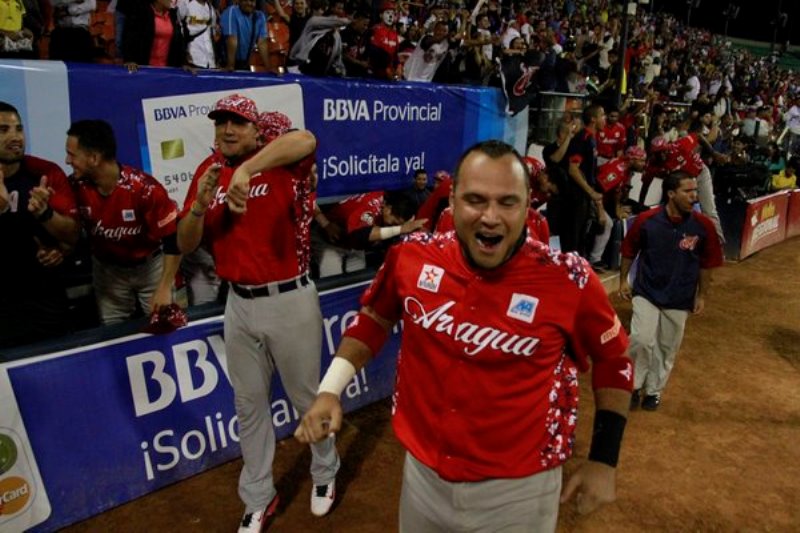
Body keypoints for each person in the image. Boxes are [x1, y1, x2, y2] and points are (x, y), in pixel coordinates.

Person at [296, 140, 633, 532]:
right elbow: (375, 316)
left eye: (507, 202)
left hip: (518, 490)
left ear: (529, 206)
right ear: (452, 201)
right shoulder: (412, 257)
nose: (490, 217)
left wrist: (605, 460)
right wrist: (330, 389)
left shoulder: (568, 279)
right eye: (475, 199)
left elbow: (615, 360)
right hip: (423, 476)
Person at [176, 94, 339, 531]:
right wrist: (198, 205)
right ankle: (258, 497)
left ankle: (326, 470)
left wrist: (247, 169)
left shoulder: (281, 163)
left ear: (256, 130)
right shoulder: (207, 172)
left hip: (289, 299)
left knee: (305, 397)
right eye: (221, 122)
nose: (227, 130)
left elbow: (306, 139)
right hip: (238, 304)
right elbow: (186, 243)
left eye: (238, 122)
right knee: (248, 405)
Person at [620, 171, 723, 411]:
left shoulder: (703, 225)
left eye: (695, 191)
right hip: (646, 291)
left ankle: (653, 391)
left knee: (667, 347)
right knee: (641, 340)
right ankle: (634, 387)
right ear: (671, 194)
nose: (694, 196)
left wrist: (702, 295)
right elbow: (629, 249)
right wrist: (624, 280)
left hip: (680, 295)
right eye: (688, 191)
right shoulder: (647, 220)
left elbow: (707, 264)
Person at [66, 120, 181, 325]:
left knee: (165, 326)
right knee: (112, 332)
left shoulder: (145, 190)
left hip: (150, 269)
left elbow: (173, 239)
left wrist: (164, 286)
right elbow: (64, 228)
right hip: (108, 271)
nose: (67, 160)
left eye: (72, 155)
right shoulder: (74, 187)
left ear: (94, 158)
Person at [0, 101, 80, 348]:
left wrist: (45, 214)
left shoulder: (45, 173)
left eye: (19, 129)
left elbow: (72, 235)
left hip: (44, 301)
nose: (15, 137)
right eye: (3, 130)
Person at [122, 0, 189, 71]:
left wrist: (183, 63)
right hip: (144, 68)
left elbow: (178, 41)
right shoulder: (141, 12)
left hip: (166, 69)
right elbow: (130, 37)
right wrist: (130, 59)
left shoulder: (173, 14)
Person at [220, 0, 271, 71]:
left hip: (245, 64)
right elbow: (231, 39)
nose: (249, 3)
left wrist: (268, 67)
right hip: (227, 63)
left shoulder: (260, 16)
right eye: (246, 0)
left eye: (252, 1)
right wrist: (230, 65)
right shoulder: (232, 11)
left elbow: (262, 43)